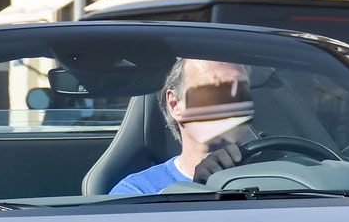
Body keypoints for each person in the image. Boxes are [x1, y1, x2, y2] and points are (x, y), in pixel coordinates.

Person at [109, 59, 255, 195]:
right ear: (175, 104)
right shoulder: (138, 191)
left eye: (240, 91)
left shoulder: (273, 175)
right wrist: (200, 190)